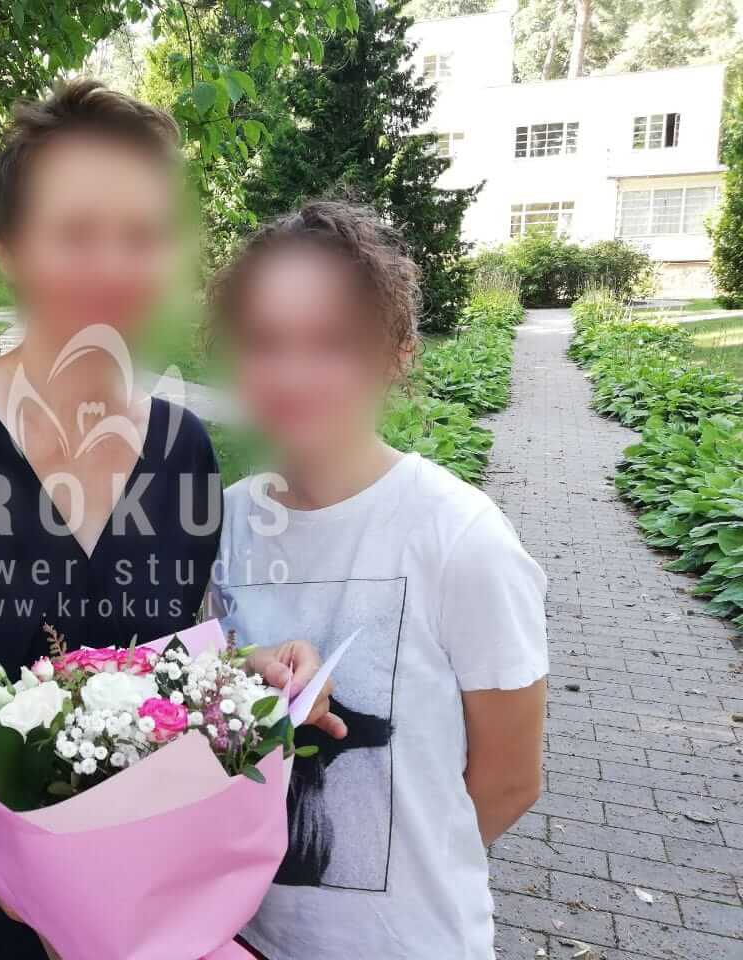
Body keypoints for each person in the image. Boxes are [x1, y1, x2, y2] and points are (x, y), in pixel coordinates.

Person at [0, 79, 335, 960]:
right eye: (75, 232)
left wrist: (243, 681)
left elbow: (158, 670)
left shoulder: (183, 453)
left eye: (141, 234)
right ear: (9, 250)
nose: (112, 266)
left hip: (126, 924)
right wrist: (28, 887)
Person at [208, 200, 548, 959]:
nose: (292, 374)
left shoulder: (460, 539)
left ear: (395, 353)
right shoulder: (221, 526)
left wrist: (397, 883)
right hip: (243, 937)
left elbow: (509, 781)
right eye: (265, 341)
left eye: (332, 342)